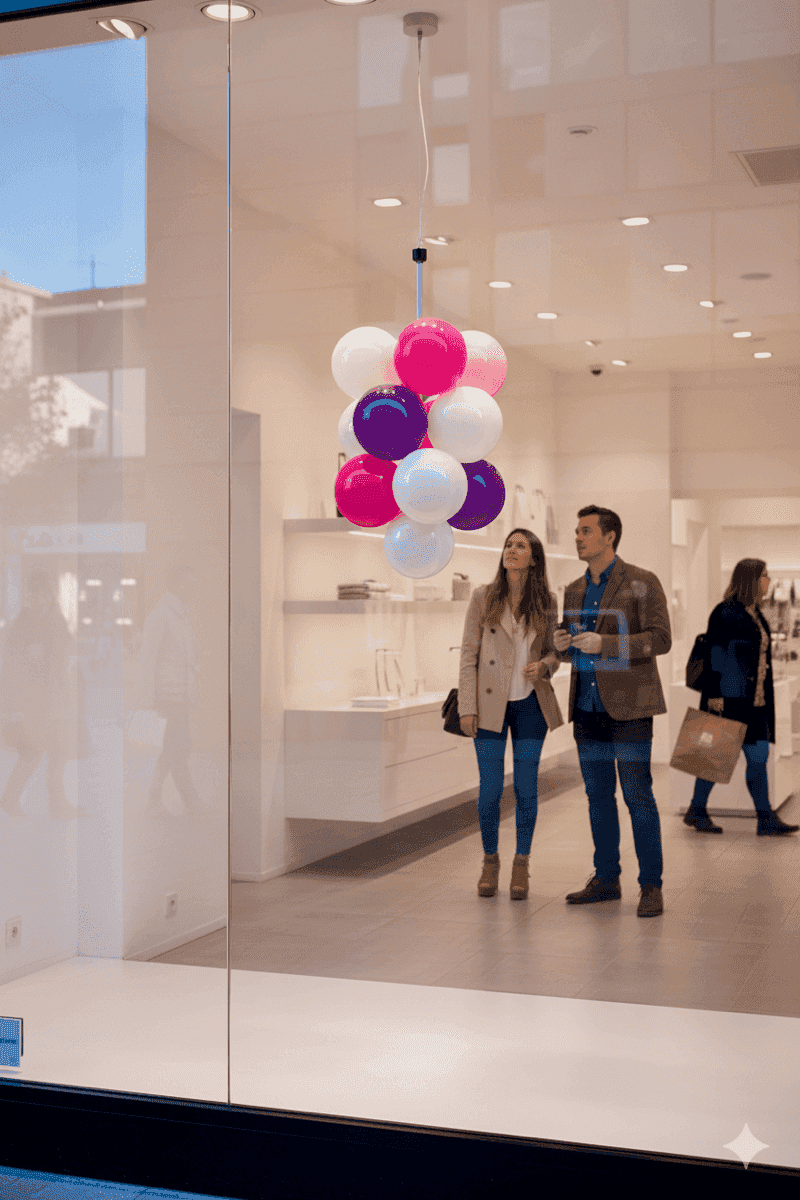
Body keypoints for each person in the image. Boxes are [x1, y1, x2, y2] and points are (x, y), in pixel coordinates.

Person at [553, 506, 671, 918]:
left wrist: (605, 645)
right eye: (577, 531)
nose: (578, 537)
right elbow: (567, 651)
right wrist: (561, 645)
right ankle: (606, 878)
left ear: (610, 537)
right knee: (597, 797)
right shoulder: (571, 590)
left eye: (586, 531)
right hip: (586, 711)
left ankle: (651, 885)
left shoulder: (642, 581)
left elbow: (660, 639)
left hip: (631, 710)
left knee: (638, 796)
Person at [458, 528, 564, 901]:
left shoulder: (547, 601)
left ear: (533, 558)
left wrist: (546, 666)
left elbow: (556, 652)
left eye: (520, 546)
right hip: (488, 707)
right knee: (489, 791)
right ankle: (490, 861)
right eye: (508, 545)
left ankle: (521, 863)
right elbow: (469, 654)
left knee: (525, 788)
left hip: (531, 706)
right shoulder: (483, 597)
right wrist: (467, 708)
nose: (511, 550)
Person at [683, 559, 798, 836]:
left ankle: (765, 817)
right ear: (751, 580)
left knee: (758, 756)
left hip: (755, 699)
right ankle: (697, 809)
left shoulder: (755, 612)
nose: (769, 581)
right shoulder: (725, 612)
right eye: (765, 576)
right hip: (728, 696)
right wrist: (713, 695)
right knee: (713, 757)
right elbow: (714, 655)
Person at [0, 569, 87, 819]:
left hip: (55, 696)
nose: (39, 598)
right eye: (34, 594)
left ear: (50, 595)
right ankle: (44, 804)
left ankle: (26, 800)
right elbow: (12, 666)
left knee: (54, 750)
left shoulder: (55, 620)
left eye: (44, 593)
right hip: (36, 701)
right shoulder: (23, 625)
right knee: (38, 751)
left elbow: (64, 658)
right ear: (29, 596)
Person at [137, 564, 201, 816]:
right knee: (179, 748)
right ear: (176, 584)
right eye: (189, 581)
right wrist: (148, 699)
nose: (193, 586)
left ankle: (153, 797)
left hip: (180, 694)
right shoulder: (161, 615)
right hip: (166, 696)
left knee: (172, 748)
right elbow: (147, 659)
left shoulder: (182, 615)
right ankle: (192, 803)